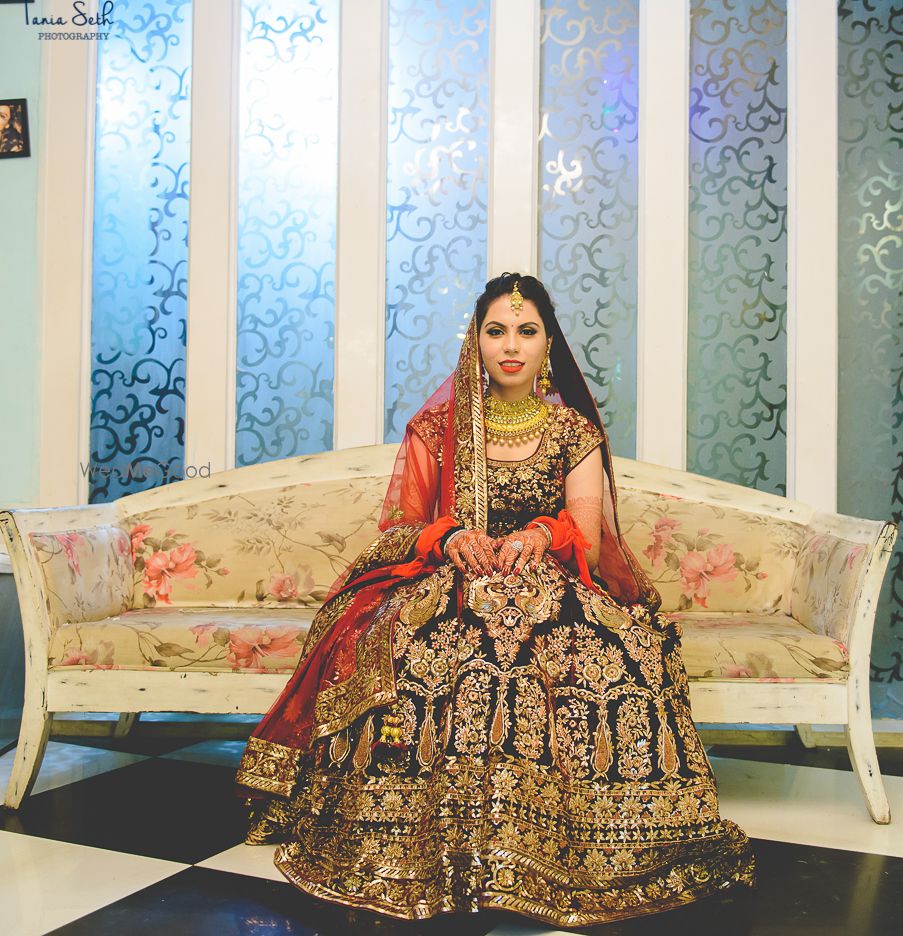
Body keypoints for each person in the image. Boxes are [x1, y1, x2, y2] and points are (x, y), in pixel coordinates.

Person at [236, 272, 755, 926]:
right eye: (496, 330)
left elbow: (588, 540)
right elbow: (399, 527)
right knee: (442, 642)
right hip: (451, 577)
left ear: (546, 344)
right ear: (475, 342)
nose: (511, 344)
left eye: (526, 331)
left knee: (607, 654)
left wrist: (542, 534)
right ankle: (442, 827)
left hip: (549, 580)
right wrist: (446, 534)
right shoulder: (435, 429)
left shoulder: (572, 431)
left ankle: (550, 824)